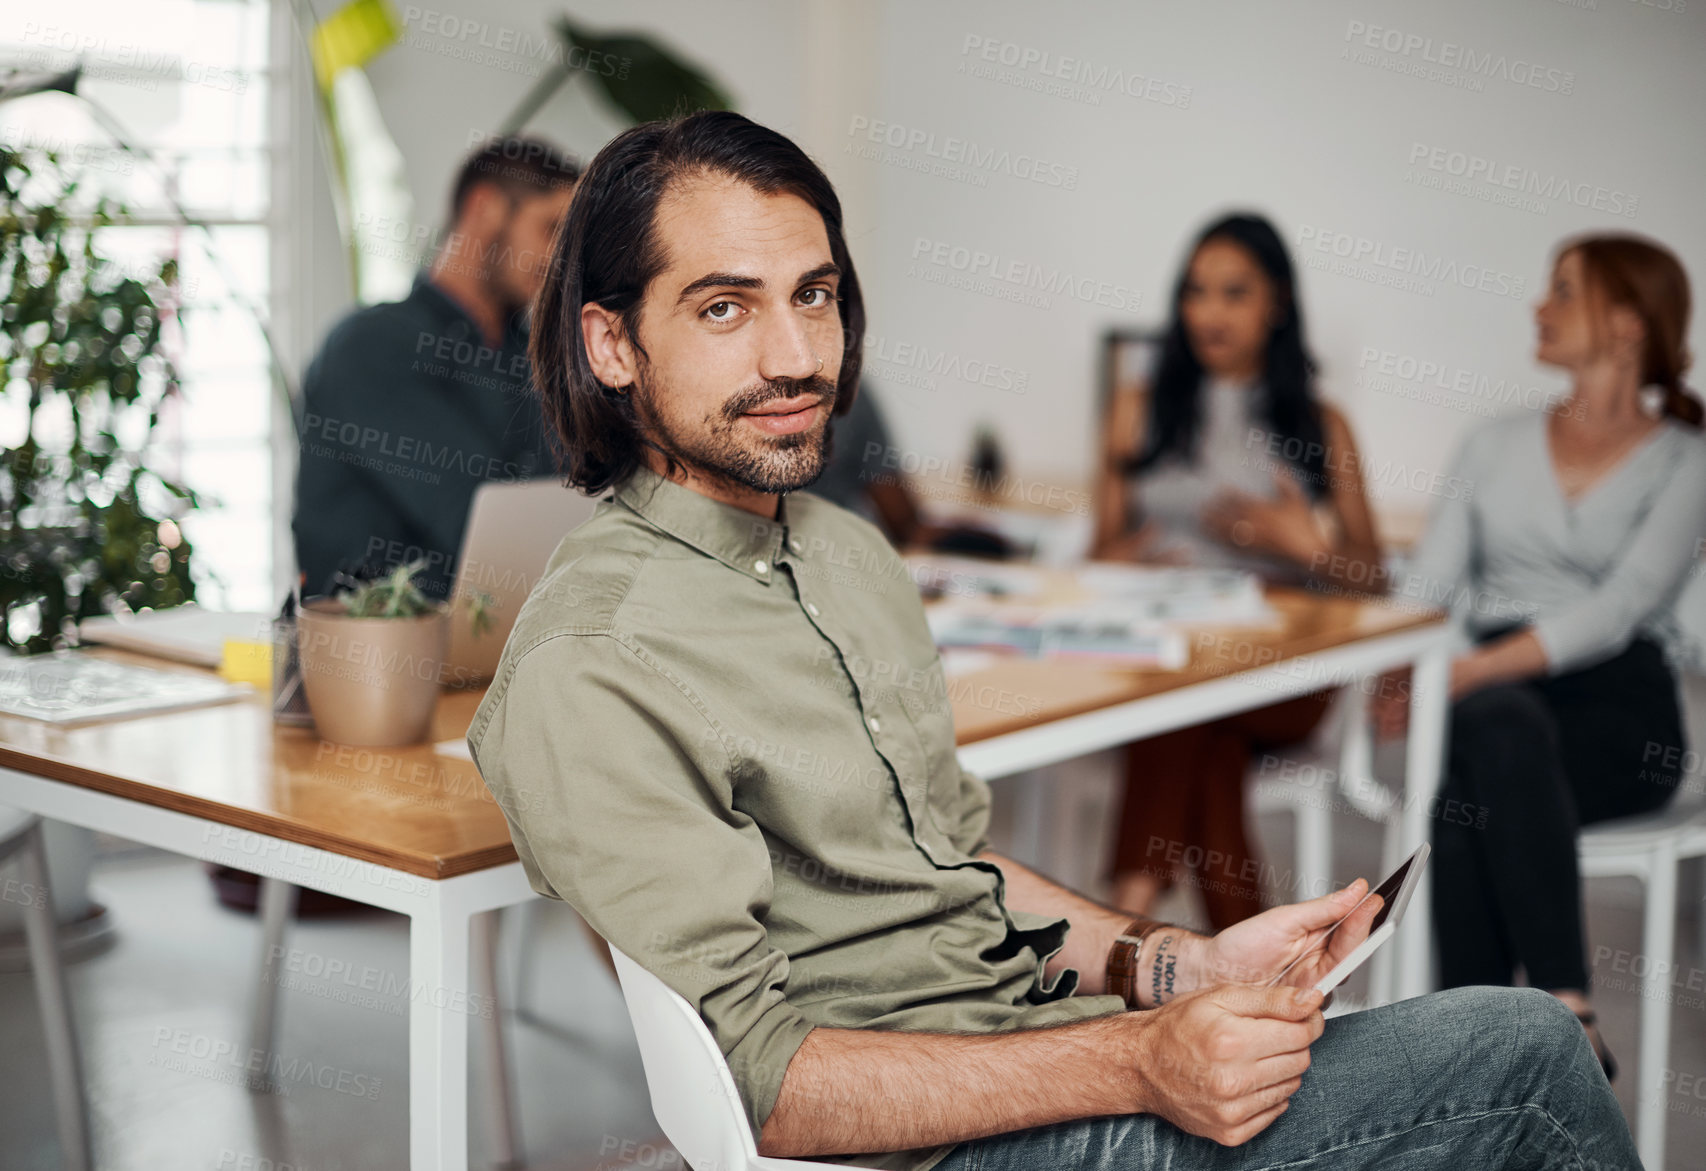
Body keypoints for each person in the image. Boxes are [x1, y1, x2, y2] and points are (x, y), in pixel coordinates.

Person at [466, 111, 1639, 1171]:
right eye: (724, 307)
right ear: (611, 346)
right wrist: (1137, 1060)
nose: (795, 357)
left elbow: (956, 874)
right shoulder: (595, 657)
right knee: (1524, 1055)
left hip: (1042, 1054)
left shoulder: (842, 553)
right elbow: (757, 1081)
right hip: (940, 1141)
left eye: (812, 295)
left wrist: (1184, 966)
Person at [1377, 233, 1706, 1079]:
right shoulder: (1493, 443)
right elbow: (1430, 584)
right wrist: (1394, 667)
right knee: (1492, 738)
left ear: (1629, 324)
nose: (1539, 305)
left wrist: (1475, 668)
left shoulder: (1688, 460)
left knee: (1475, 765)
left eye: (1563, 290)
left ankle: (1463, 1062)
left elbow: (1625, 604)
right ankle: (1569, 1011)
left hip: (1621, 708)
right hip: (1495, 704)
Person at [1092, 214, 1384, 928]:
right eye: (1196, 292)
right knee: (1202, 729)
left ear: (1276, 304)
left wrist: (1303, 546)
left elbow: (1374, 579)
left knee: (1183, 699)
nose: (1210, 312)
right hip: (1170, 650)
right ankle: (1253, 973)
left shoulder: (1323, 424)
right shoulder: (1136, 411)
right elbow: (1097, 554)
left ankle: (1126, 926)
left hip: (1286, 669)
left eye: (1234, 293)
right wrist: (1124, 560)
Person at [292, 135, 579, 602]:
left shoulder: (532, 356)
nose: (561, 261)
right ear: (484, 208)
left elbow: (569, 499)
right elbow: (482, 524)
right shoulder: (372, 346)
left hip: (508, 643)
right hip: (378, 654)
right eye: (551, 230)